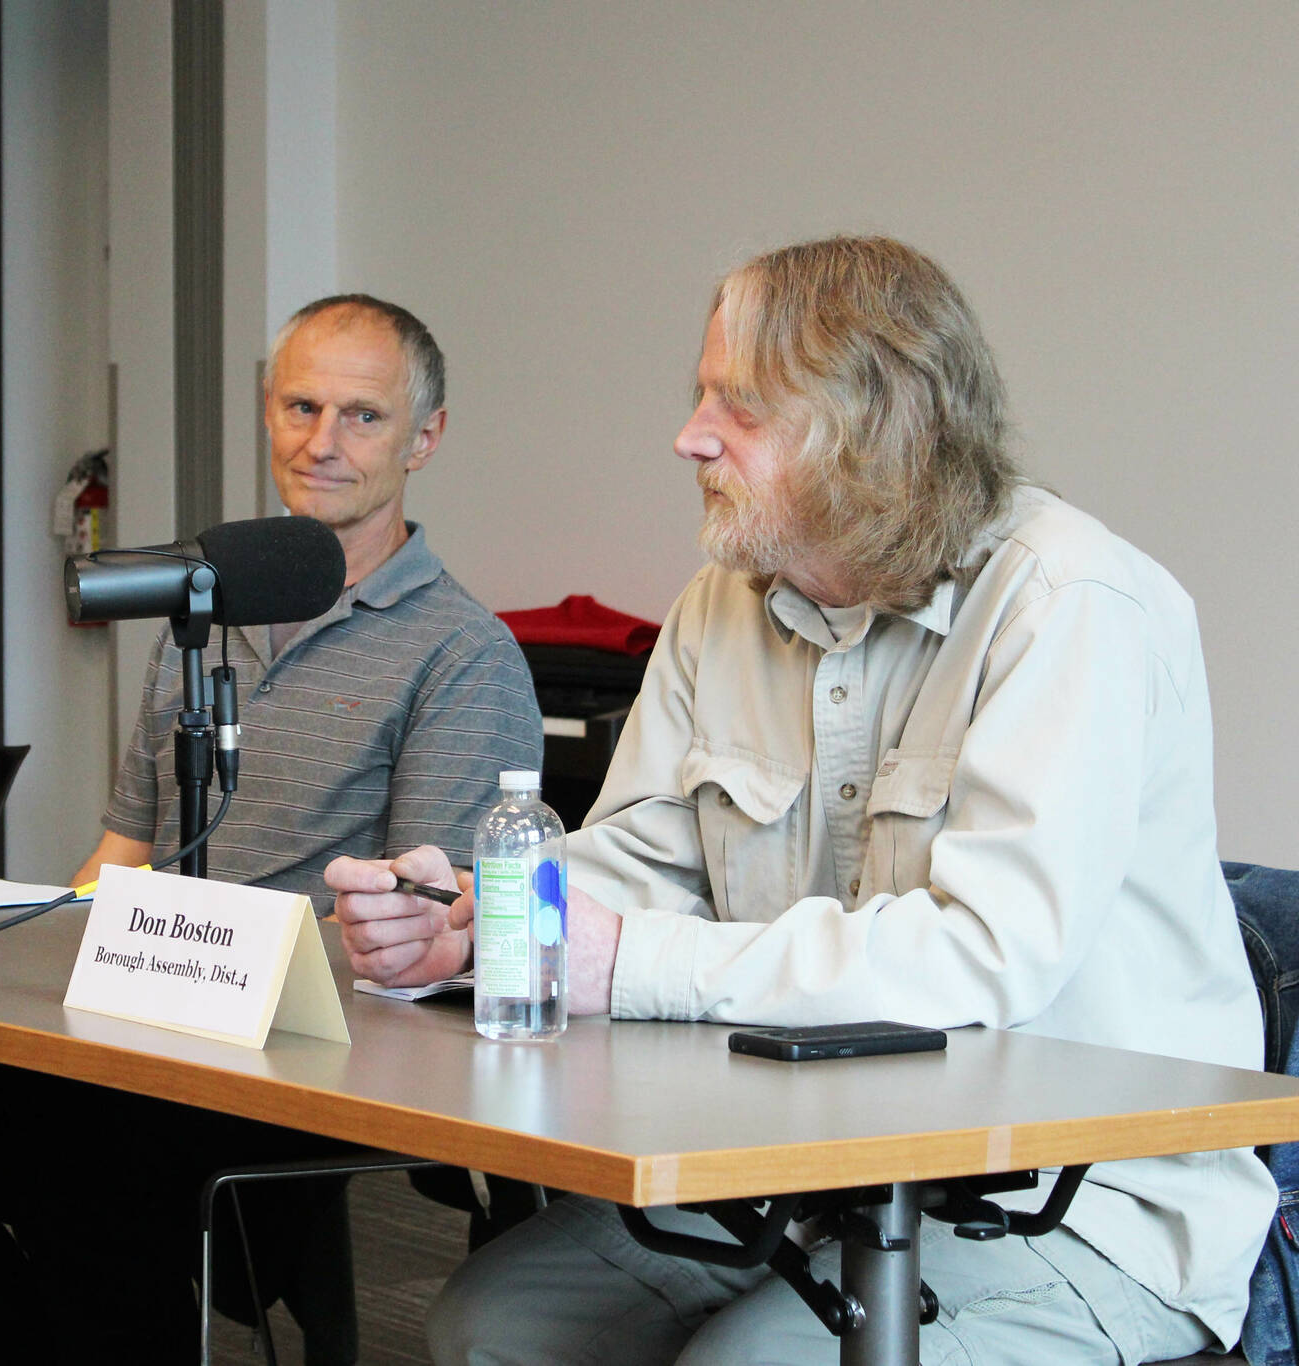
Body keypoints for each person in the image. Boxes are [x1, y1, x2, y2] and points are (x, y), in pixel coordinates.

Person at [329, 236, 1272, 1365]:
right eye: (696, 398)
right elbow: (644, 860)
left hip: (1076, 1210)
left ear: (869, 428)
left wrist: (620, 959)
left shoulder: (1072, 605)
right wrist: (470, 916)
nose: (688, 436)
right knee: (491, 1327)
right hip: (801, 1172)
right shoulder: (719, 603)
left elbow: (981, 959)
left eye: (739, 407)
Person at [0, 294, 545, 1360]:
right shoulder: (204, 618)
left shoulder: (460, 653)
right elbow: (123, 858)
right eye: (298, 405)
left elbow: (429, 947)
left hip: (312, 1052)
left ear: (423, 438)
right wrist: (16, 958)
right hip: (153, 1014)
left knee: (80, 1163)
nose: (319, 442)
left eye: (360, 417)